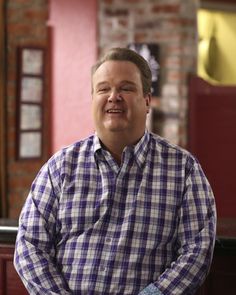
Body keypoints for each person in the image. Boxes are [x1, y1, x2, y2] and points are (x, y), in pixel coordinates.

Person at [14, 47, 216, 295]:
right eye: (103, 89)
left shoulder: (184, 170)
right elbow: (30, 245)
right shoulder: (59, 167)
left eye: (126, 88)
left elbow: (197, 252)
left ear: (147, 101)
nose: (113, 96)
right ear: (93, 99)